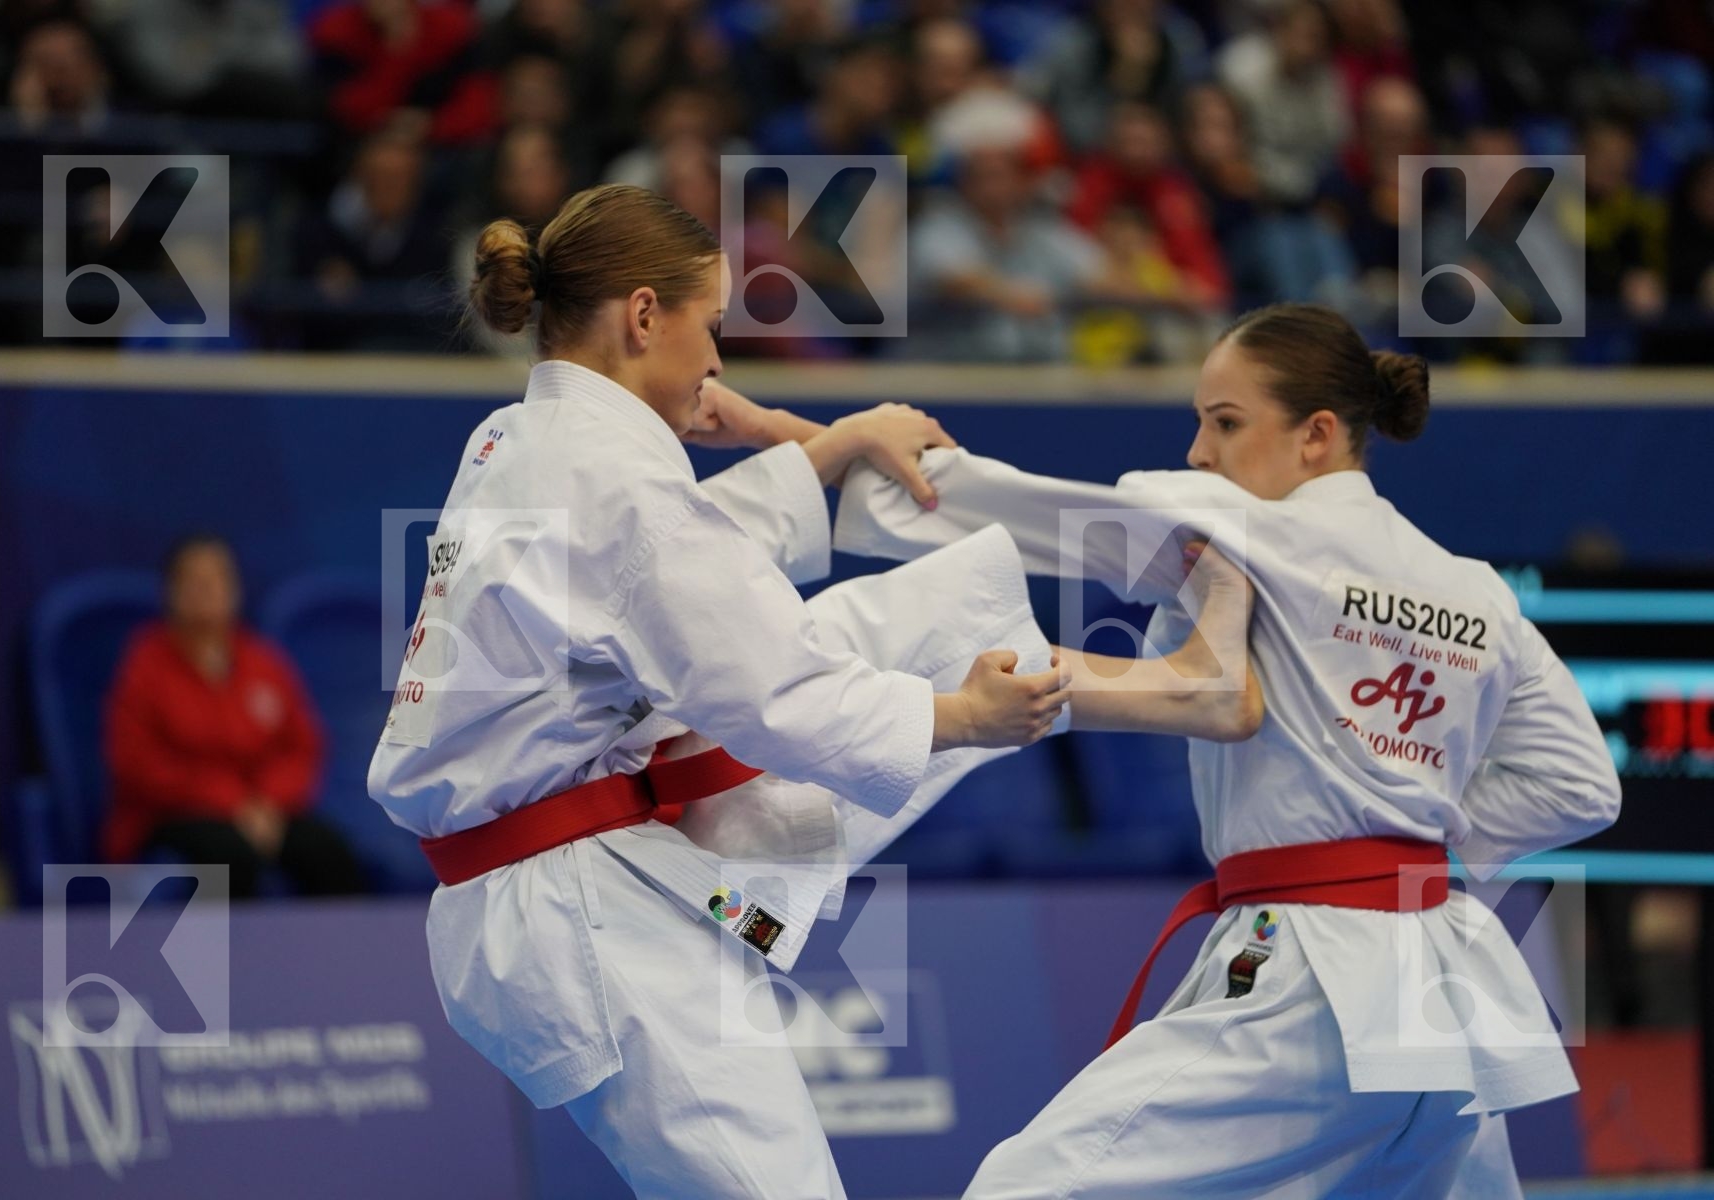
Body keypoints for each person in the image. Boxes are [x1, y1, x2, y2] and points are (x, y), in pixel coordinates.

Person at [366, 184, 1261, 1199]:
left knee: (912, 613)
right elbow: (765, 686)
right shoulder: (608, 480)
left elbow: (677, 580)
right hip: (576, 899)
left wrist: (824, 448)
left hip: (593, 835)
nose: (714, 362)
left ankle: (1194, 689)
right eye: (710, 326)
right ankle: (1181, 687)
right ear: (644, 315)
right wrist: (958, 720)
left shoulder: (523, 441)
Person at [833, 302, 1622, 1197]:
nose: (1201, 452)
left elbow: (1036, 518)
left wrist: (873, 463)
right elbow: (1582, 786)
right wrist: (1413, 817)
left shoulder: (1240, 525)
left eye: (1225, 422)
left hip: (1314, 974)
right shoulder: (1477, 591)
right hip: (1442, 976)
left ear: (1316, 435)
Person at [104, 535, 367, 899]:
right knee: (229, 856)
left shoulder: (264, 662)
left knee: (329, 853)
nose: (207, 590)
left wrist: (268, 802)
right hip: (174, 815)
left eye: (217, 579)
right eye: (194, 581)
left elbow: (303, 747)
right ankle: (228, 957)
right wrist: (230, 802)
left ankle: (338, 955)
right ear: (171, 592)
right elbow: (138, 763)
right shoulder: (145, 665)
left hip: (264, 810)